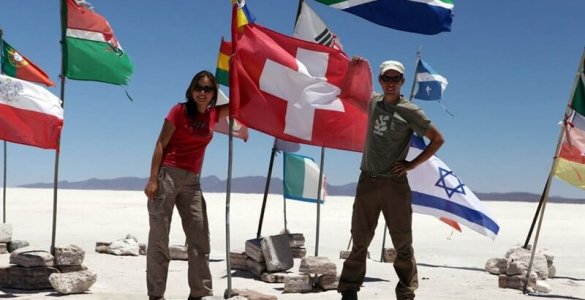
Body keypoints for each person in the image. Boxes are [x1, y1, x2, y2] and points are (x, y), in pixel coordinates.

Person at [338, 59, 445, 300]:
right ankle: (349, 290)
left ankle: (406, 292)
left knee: (402, 242)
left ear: (402, 82)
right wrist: (353, 71)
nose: (390, 83)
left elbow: (438, 139)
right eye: (387, 78)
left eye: (395, 79)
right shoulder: (373, 101)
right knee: (360, 239)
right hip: (367, 181)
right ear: (380, 80)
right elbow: (347, 94)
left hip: (393, 185)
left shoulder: (410, 111)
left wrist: (411, 165)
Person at [144, 70, 228, 300]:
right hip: (167, 177)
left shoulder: (213, 115)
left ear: (214, 94)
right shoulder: (179, 111)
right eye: (199, 88)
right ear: (191, 90)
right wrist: (153, 179)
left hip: (192, 182)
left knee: (200, 237)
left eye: (208, 89)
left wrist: (241, 68)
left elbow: (242, 103)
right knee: (160, 239)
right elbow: (161, 144)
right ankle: (156, 295)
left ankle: (199, 293)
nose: (203, 92)